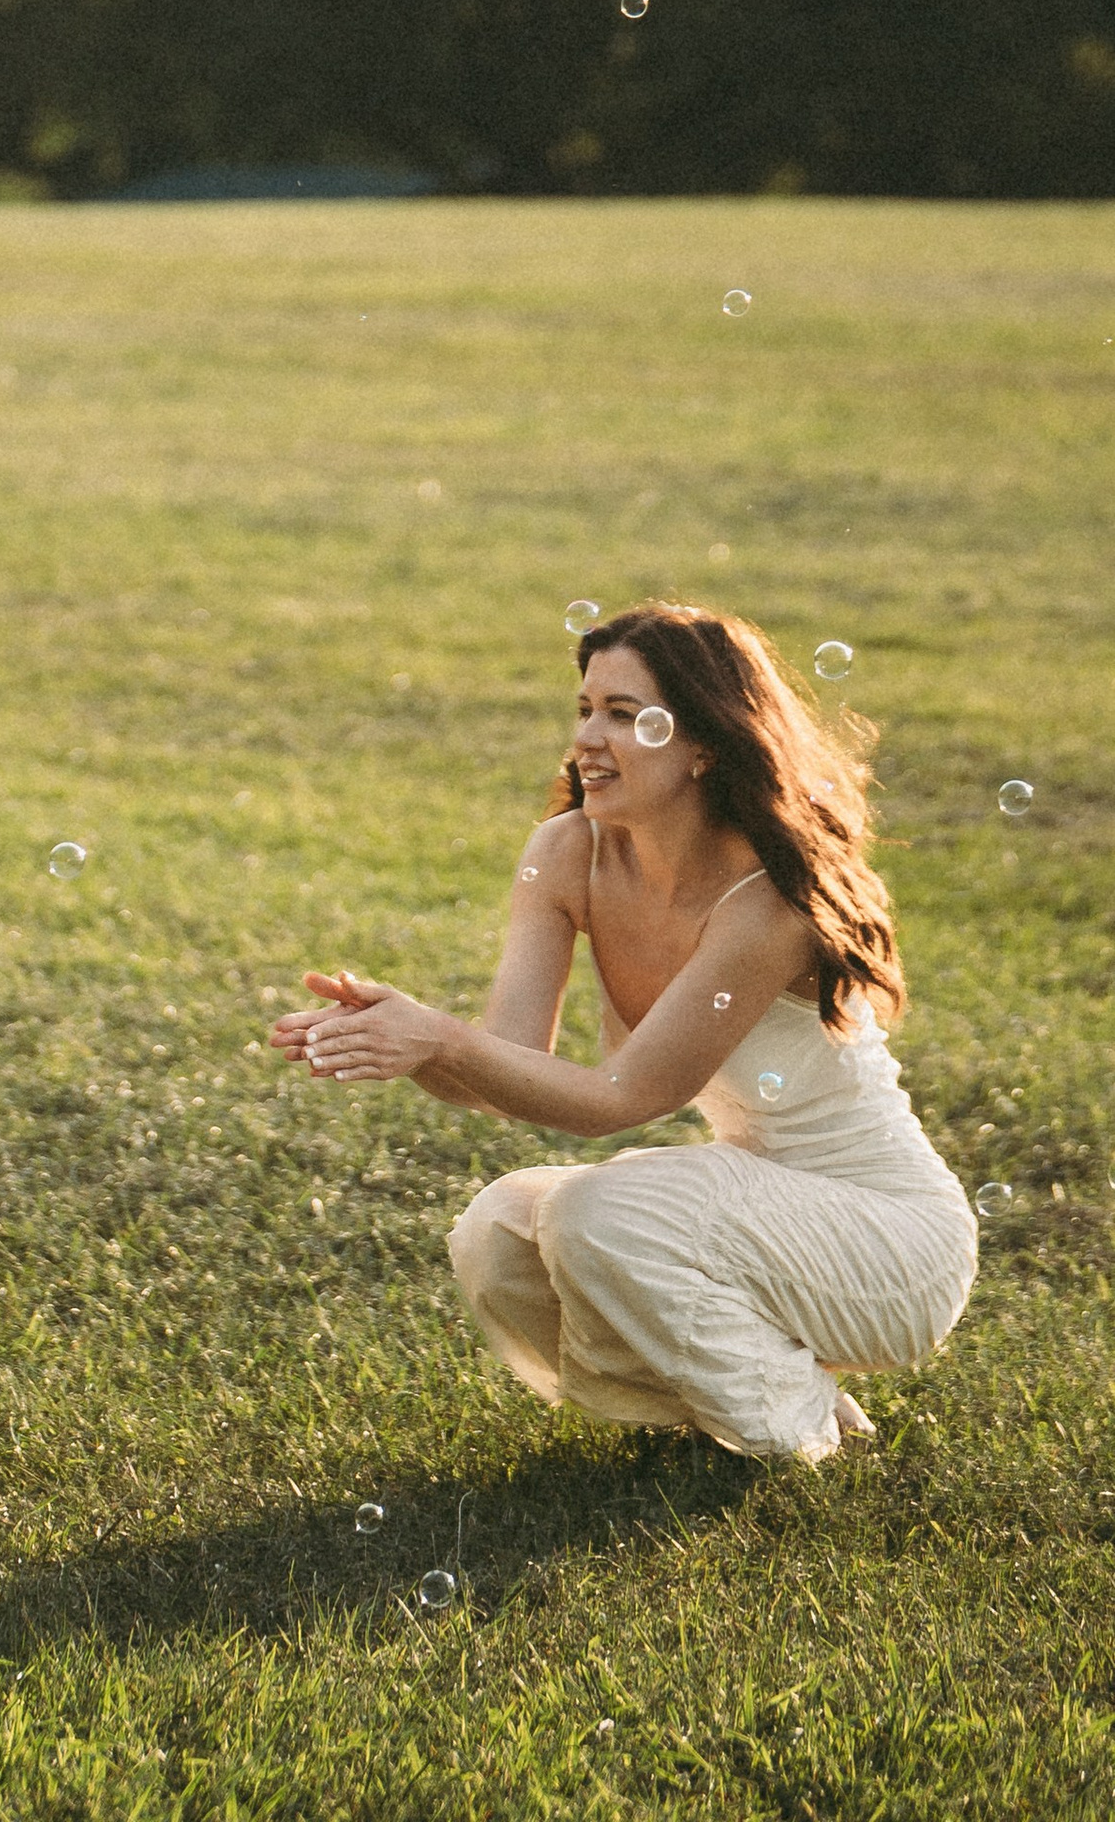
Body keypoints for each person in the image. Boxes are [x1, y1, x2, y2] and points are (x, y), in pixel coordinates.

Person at [272, 603, 977, 1464]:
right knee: (499, 1230)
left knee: (597, 1214)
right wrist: (406, 1044)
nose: (587, 742)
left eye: (624, 715)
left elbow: (622, 1102)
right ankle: (728, 1405)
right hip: (756, 1206)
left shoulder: (767, 905)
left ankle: (797, 1424)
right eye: (583, 710)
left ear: (705, 743)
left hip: (891, 1244)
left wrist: (443, 1040)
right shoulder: (568, 851)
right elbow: (510, 1067)